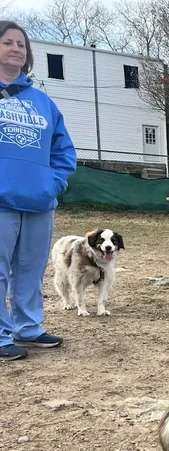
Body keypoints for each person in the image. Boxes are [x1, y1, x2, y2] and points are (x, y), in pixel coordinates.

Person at [0, 21, 77, 361]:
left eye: (21, 44)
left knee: (30, 269)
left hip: (39, 202)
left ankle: (28, 328)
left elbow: (64, 151)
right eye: (7, 42)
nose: (16, 48)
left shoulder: (43, 103)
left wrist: (53, 184)